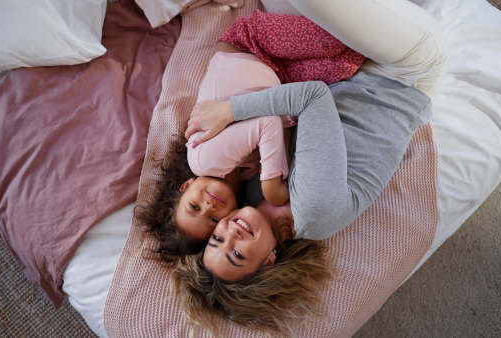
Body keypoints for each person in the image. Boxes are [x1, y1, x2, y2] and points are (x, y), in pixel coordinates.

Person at [173, 0, 447, 335]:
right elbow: (313, 98)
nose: (230, 232)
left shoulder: (253, 193)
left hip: (351, 70)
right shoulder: (315, 209)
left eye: (217, 239)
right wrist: (229, 110)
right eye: (237, 255)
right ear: (270, 261)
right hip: (402, 72)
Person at [137, 11, 365, 262]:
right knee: (350, 62)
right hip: (280, 76)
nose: (209, 207)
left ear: (186, 185)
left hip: (248, 45)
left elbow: (267, 123)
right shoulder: (245, 174)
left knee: (337, 40)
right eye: (212, 219)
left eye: (194, 206)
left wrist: (271, 185)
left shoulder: (205, 161)